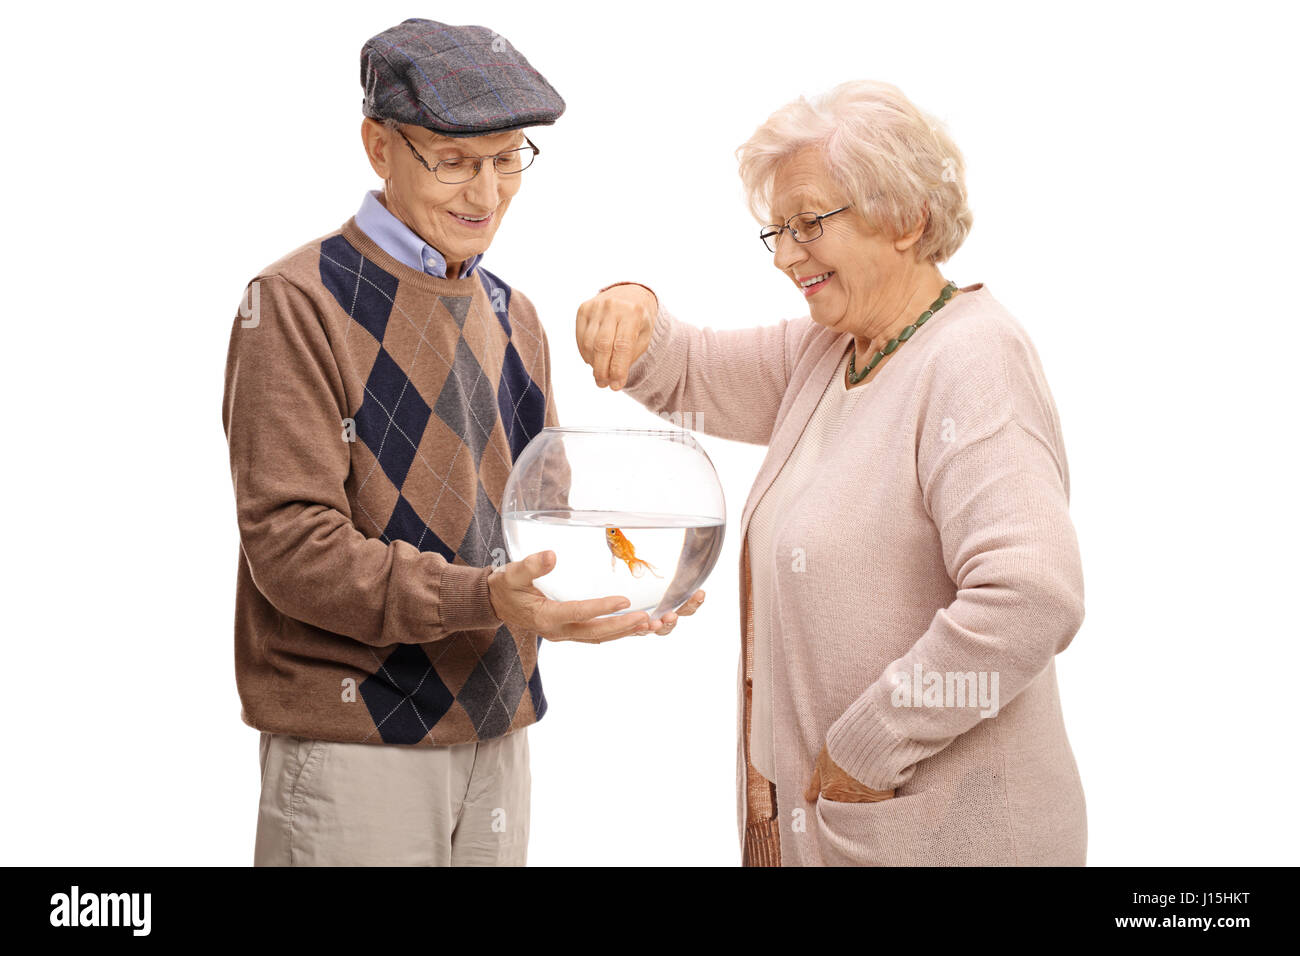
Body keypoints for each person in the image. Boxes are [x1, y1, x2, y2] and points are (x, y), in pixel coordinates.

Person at [222, 18, 703, 867]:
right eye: (454, 160)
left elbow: (539, 519)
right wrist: (489, 598)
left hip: (496, 730)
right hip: (354, 746)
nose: (486, 192)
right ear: (379, 146)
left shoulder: (515, 316)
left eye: (507, 157)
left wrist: (594, 598)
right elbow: (293, 551)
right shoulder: (294, 303)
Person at [577, 80, 1086, 865]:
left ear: (908, 218)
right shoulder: (828, 352)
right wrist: (629, 298)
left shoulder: (972, 358)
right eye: (775, 232)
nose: (784, 256)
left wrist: (867, 749)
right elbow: (681, 369)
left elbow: (1033, 596)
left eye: (809, 223)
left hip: (945, 840)